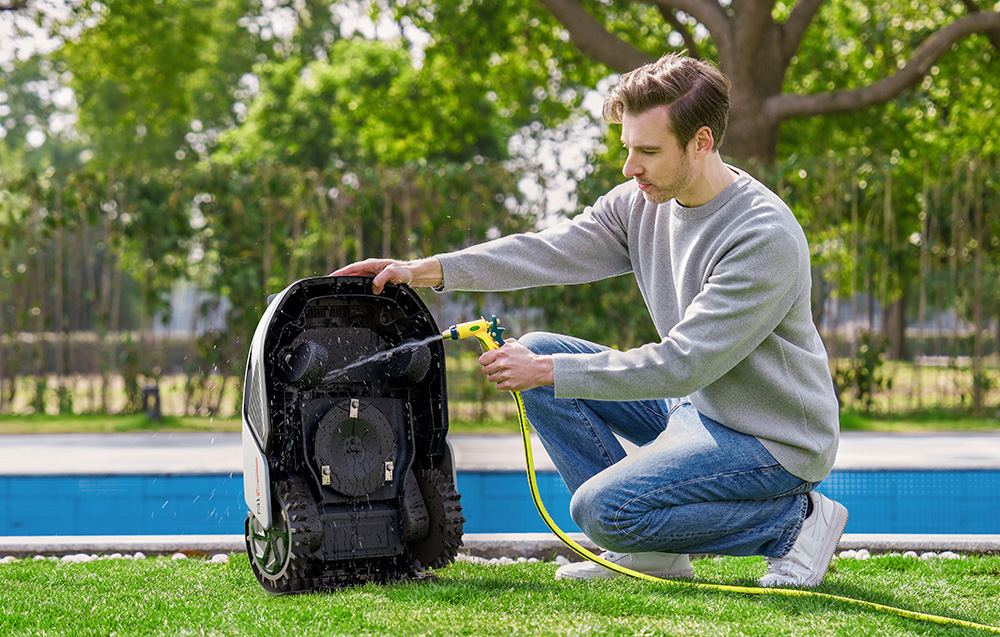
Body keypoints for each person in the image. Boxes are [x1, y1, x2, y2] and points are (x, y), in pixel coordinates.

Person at [332, 52, 847, 588]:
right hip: (698, 410)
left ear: (701, 142)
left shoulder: (761, 237)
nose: (630, 168)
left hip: (771, 438)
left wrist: (548, 372)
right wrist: (428, 270)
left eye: (648, 151)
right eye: (628, 148)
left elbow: (683, 364)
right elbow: (549, 251)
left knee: (600, 509)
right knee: (540, 347)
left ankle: (796, 524)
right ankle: (651, 553)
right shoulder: (641, 203)